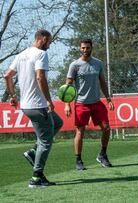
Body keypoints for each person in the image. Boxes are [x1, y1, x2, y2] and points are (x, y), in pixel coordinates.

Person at [4, 29, 64, 188]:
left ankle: (33, 153)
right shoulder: (41, 54)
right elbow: (40, 77)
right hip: (38, 105)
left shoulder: (22, 54)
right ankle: (36, 178)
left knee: (57, 123)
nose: (49, 45)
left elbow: (7, 75)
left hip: (26, 106)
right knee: (46, 142)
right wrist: (49, 100)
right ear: (43, 39)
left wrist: (13, 96)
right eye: (49, 42)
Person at [65, 39, 115, 170]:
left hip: (97, 102)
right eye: (83, 48)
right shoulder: (74, 65)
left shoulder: (98, 63)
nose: (85, 50)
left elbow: (102, 82)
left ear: (91, 48)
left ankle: (102, 155)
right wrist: (67, 104)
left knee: (107, 128)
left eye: (87, 48)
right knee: (80, 132)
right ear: (80, 49)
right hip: (81, 104)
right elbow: (68, 86)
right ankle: (78, 160)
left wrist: (108, 99)